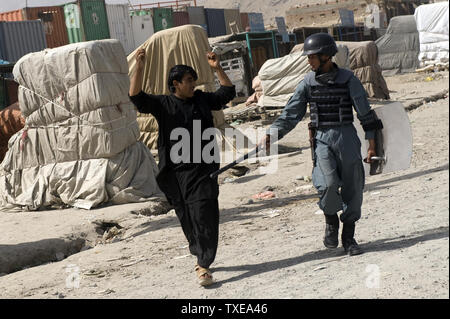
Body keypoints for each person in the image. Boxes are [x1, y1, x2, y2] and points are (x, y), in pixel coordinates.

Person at [261, 33, 383, 256]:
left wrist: (372, 146)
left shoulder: (348, 79)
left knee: (353, 188)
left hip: (347, 136)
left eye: (312, 57)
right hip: (322, 140)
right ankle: (330, 220)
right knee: (326, 183)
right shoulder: (307, 83)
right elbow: (291, 114)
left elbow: (366, 114)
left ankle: (349, 237)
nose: (309, 61)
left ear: (326, 56)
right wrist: (272, 134)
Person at [129, 49, 236, 286]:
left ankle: (204, 264)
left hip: (204, 169)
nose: (193, 84)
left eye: (194, 80)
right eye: (189, 81)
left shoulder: (201, 99)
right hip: (175, 173)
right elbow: (136, 97)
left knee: (205, 213)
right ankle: (199, 251)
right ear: (175, 84)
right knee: (187, 216)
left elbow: (227, 92)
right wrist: (139, 66)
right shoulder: (164, 104)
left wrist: (217, 68)